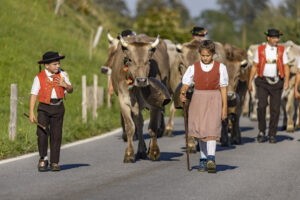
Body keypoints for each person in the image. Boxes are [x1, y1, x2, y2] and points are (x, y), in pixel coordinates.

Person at [180, 40, 228, 173]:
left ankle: (211, 158)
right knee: (201, 130)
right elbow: (186, 83)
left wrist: (224, 108)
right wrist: (183, 91)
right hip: (198, 98)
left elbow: (223, 89)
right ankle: (203, 158)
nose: (205, 58)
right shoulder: (193, 67)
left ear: (213, 54)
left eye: (207, 55)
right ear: (200, 54)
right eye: (203, 56)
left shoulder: (220, 67)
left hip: (214, 97)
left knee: (212, 128)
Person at [29, 51, 73, 172]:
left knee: (56, 135)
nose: (58, 66)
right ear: (46, 65)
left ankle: (54, 162)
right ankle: (43, 158)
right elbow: (33, 94)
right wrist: (31, 112)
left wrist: (66, 85)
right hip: (44, 108)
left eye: (58, 63)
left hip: (58, 107)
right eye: (55, 64)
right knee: (42, 133)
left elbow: (71, 90)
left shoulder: (63, 74)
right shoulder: (38, 77)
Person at [248, 29, 290, 143]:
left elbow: (286, 66)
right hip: (262, 81)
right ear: (269, 38)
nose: (277, 40)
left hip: (277, 82)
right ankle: (262, 131)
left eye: (278, 38)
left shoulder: (281, 50)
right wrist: (249, 81)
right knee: (261, 106)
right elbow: (254, 66)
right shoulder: (260, 50)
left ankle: (272, 134)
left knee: (275, 109)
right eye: (275, 38)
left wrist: (286, 81)